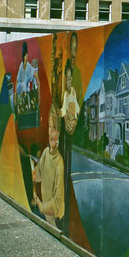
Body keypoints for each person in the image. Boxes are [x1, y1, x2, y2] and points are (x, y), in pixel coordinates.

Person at [60, 58, 80, 234]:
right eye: (66, 79)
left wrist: (74, 118)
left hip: (71, 131)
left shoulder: (73, 93)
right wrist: (67, 117)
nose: (68, 82)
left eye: (69, 78)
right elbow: (63, 111)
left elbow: (77, 110)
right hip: (65, 133)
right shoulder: (66, 95)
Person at [33, 122, 64, 226]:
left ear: (59, 133)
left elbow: (59, 201)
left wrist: (42, 207)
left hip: (52, 219)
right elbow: (38, 173)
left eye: (54, 128)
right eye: (50, 126)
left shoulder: (59, 162)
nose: (51, 132)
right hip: (44, 214)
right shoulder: (46, 152)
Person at [15, 41, 39, 111]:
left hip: (26, 92)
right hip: (20, 90)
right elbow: (17, 80)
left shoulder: (29, 67)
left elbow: (35, 75)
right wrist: (16, 95)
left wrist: (37, 81)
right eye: (24, 55)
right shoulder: (21, 65)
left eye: (26, 55)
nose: (25, 57)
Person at [69, 32, 83, 108]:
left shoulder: (78, 72)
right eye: (71, 48)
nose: (72, 53)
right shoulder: (64, 69)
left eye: (74, 49)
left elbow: (80, 98)